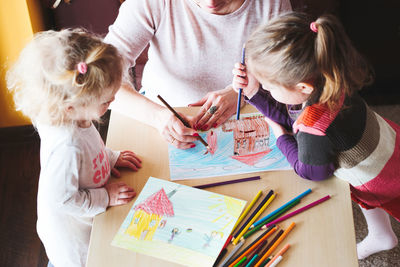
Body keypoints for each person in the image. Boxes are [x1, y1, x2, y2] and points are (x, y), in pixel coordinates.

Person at [232, 12, 399, 260]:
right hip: (388, 146)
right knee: (369, 201)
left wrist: (281, 138)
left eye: (268, 86)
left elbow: (312, 171)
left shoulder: (314, 131)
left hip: (384, 180)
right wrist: (255, 92)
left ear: (303, 88)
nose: (266, 88)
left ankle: (381, 234)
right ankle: (380, 234)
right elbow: (293, 113)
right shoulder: (330, 76)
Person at [6, 29, 142, 267]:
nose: (112, 103)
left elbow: (91, 148)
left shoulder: (76, 115)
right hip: (72, 239)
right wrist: (105, 196)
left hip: (87, 216)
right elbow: (62, 199)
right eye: (106, 101)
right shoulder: (66, 147)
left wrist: (110, 158)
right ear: (71, 106)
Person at [104, 0, 291, 149]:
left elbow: (290, 72)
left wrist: (242, 92)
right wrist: (159, 117)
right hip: (159, 122)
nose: (211, 2)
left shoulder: (271, 3)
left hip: (251, 120)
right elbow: (99, 80)